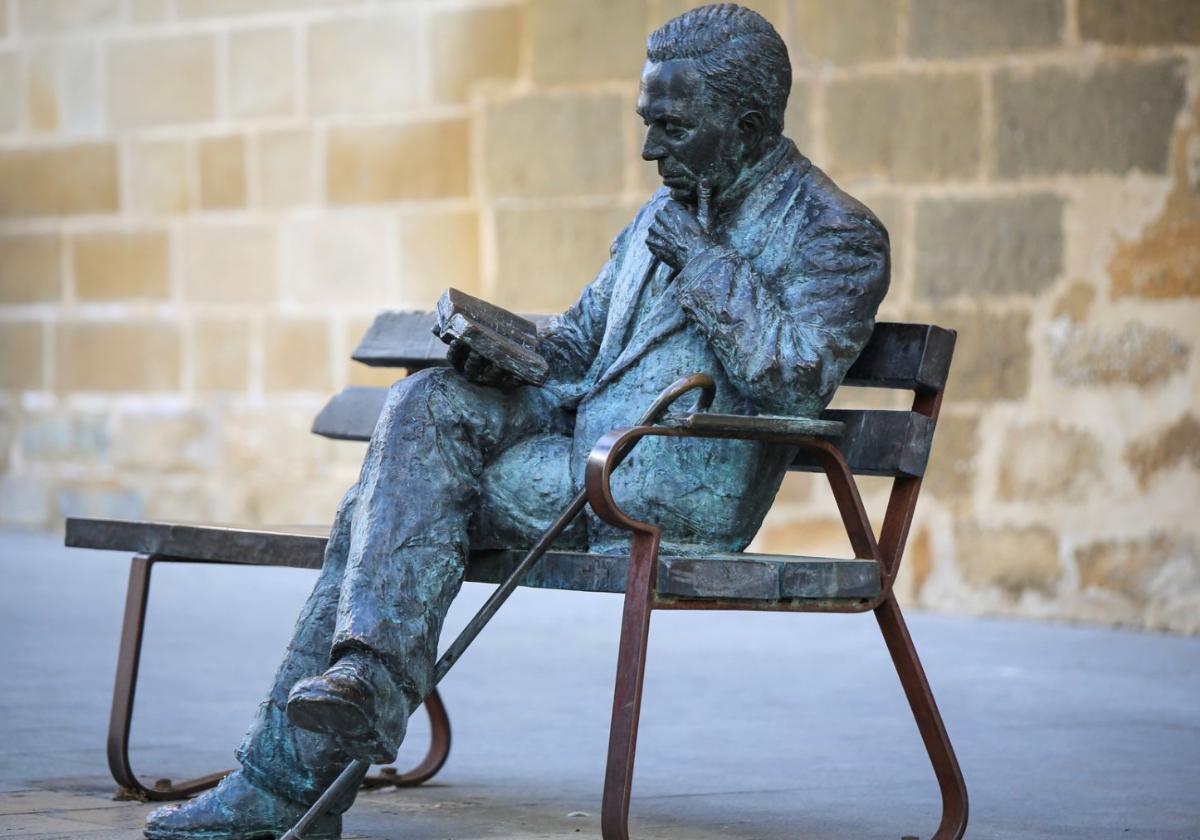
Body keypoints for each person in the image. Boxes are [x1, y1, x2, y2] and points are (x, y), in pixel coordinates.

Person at [145, 4, 890, 838]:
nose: (650, 151)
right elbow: (578, 344)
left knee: (380, 513)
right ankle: (354, 689)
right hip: (584, 460)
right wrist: (501, 356)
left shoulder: (835, 232)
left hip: (668, 482)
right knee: (424, 404)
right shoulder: (661, 212)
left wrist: (707, 264)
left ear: (747, 124)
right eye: (647, 124)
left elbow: (793, 384)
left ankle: (289, 777)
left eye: (673, 128)